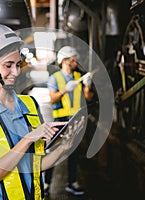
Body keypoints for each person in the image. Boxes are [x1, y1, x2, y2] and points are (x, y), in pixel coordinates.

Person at [0, 24, 82, 200]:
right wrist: (27, 139)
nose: (16, 72)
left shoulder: (30, 104)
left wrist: (64, 147)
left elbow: (35, 165)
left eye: (18, 64)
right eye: (8, 65)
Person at [45, 46, 94, 196]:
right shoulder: (55, 78)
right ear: (64, 61)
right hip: (60, 120)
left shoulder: (79, 76)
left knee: (73, 151)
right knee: (53, 151)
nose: (75, 62)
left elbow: (88, 98)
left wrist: (87, 86)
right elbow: (53, 100)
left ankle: (72, 183)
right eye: (73, 59)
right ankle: (46, 184)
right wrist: (65, 89)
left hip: (75, 120)